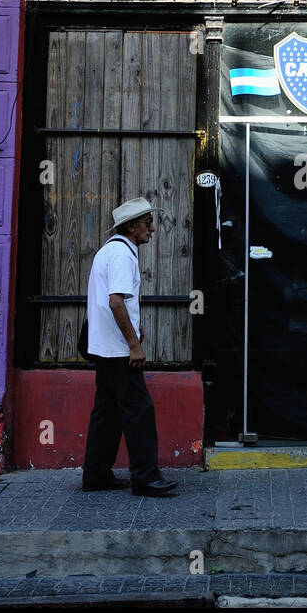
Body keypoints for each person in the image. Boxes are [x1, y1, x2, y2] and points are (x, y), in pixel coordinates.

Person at [82, 197, 177, 497]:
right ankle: (146, 478)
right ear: (131, 226)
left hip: (105, 347)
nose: (152, 228)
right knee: (139, 411)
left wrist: (134, 329)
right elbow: (115, 301)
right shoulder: (123, 255)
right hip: (119, 351)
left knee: (107, 413)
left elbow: (112, 301)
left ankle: (96, 474)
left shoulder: (109, 251)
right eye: (147, 222)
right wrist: (134, 345)